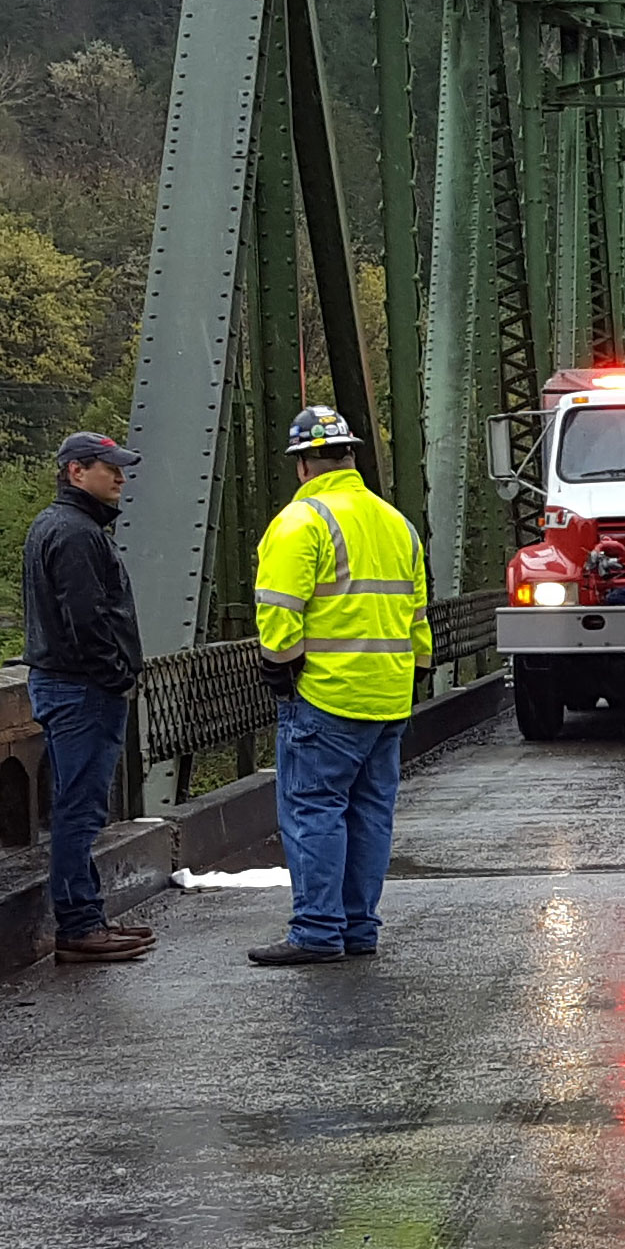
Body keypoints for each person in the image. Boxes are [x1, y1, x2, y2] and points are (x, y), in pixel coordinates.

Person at [249, 406, 432, 967]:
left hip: (326, 695)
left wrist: (280, 668)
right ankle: (358, 927)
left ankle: (316, 929)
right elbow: (417, 615)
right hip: (389, 696)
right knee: (370, 813)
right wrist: (417, 669)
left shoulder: (302, 521)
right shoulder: (396, 523)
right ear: (350, 456)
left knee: (314, 809)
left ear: (303, 464)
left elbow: (279, 610)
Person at [20, 431, 154, 964]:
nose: (120, 477)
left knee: (78, 805)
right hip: (81, 688)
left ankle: (88, 916)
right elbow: (87, 619)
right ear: (76, 471)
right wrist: (116, 675)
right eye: (109, 467)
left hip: (64, 683)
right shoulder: (77, 533)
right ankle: (79, 925)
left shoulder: (56, 524)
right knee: (79, 808)